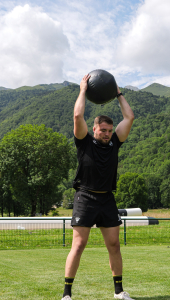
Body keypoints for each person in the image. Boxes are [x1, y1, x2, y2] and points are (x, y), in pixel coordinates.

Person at [61, 74, 135, 300]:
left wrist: (118, 93)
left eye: (110, 130)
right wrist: (83, 90)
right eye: (103, 130)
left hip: (107, 199)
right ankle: (67, 294)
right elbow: (77, 114)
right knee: (79, 243)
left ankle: (119, 292)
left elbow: (129, 116)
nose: (107, 134)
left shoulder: (114, 143)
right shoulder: (83, 140)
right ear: (94, 129)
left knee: (114, 244)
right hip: (85, 197)